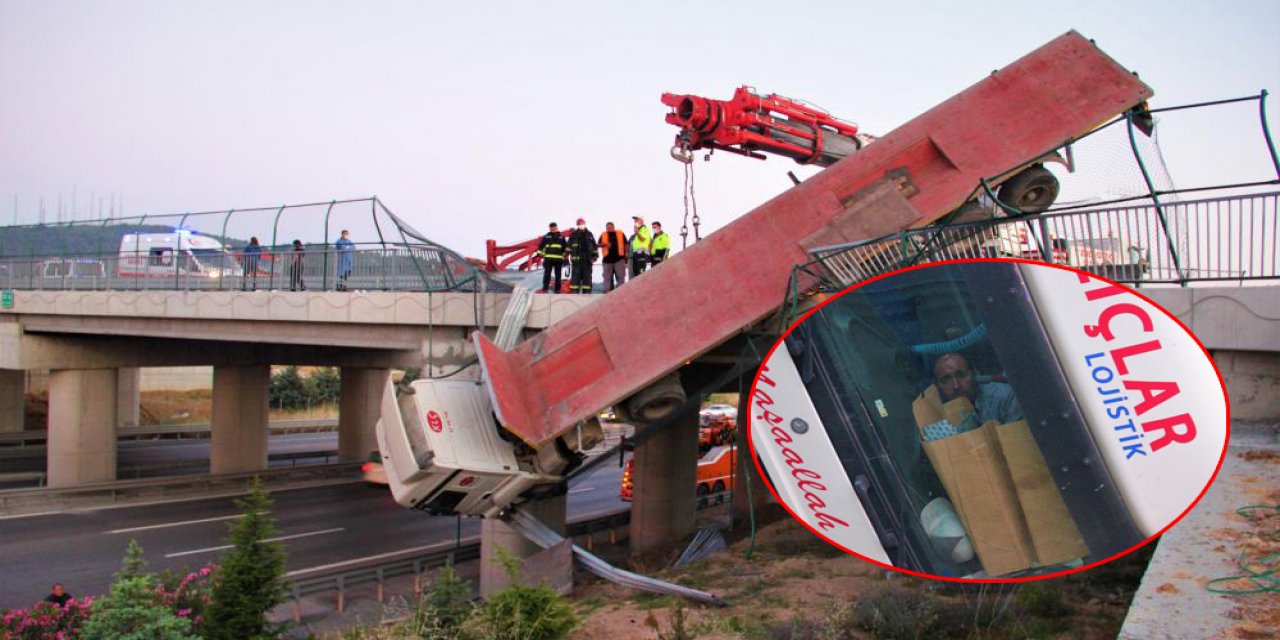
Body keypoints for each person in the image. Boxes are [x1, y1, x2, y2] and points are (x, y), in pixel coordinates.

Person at [932, 353, 1024, 425]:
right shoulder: (934, 413)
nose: (956, 386)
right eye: (946, 380)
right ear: (937, 386)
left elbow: (1016, 442)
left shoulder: (1005, 397)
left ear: (975, 374)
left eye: (961, 375)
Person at [566, 217, 597, 294]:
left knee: (587, 278)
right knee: (575, 278)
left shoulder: (589, 234)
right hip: (576, 261)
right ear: (577, 225)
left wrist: (595, 256)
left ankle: (587, 292)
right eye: (580, 224)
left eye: (582, 223)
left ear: (584, 224)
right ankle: (574, 292)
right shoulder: (573, 235)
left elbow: (594, 246)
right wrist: (565, 258)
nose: (581, 225)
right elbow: (568, 247)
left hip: (587, 260)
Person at [598, 221, 628, 292]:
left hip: (619, 259)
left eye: (610, 227)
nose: (609, 228)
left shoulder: (620, 233)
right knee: (607, 277)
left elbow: (626, 244)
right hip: (607, 260)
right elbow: (598, 244)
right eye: (607, 228)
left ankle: (620, 291)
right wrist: (605, 245)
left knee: (621, 277)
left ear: (614, 227)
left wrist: (626, 254)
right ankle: (607, 292)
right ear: (606, 228)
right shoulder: (603, 234)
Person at [537, 222, 566, 293]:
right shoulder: (546, 237)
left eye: (554, 227)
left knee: (558, 275)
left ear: (556, 227)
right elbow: (540, 247)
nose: (552, 228)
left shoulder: (562, 237)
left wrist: (565, 258)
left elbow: (565, 248)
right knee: (547, 274)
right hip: (548, 259)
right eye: (551, 227)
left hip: (558, 259)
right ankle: (545, 289)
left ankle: (557, 289)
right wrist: (538, 256)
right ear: (549, 228)